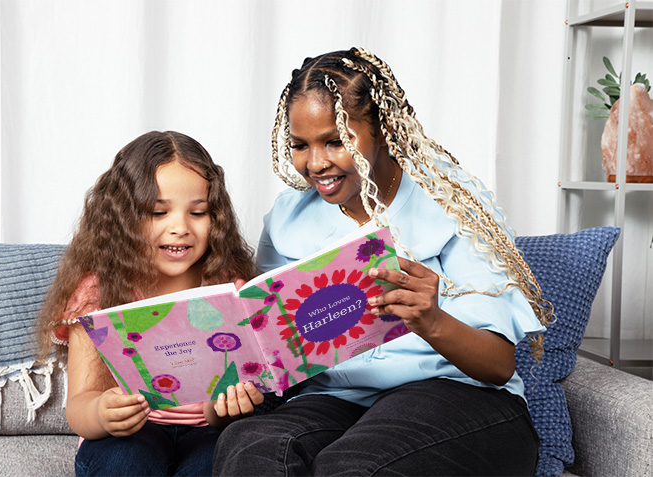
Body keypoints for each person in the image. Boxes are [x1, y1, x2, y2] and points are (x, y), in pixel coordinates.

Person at [213, 48, 552, 476]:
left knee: (353, 465)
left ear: (383, 130)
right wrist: (243, 375)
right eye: (301, 145)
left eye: (336, 141)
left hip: (457, 395)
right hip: (335, 400)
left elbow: (499, 365)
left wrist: (432, 321)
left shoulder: (454, 202)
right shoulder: (287, 217)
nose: (315, 163)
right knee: (251, 446)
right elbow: (268, 346)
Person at [36, 131, 264, 476]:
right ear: (123, 219)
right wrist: (102, 413)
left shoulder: (228, 287)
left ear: (215, 218)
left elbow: (226, 404)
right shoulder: (98, 291)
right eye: (159, 212)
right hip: (131, 433)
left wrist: (227, 408)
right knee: (124, 462)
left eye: (198, 212)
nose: (180, 228)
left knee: (222, 462)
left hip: (208, 430)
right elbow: (80, 405)